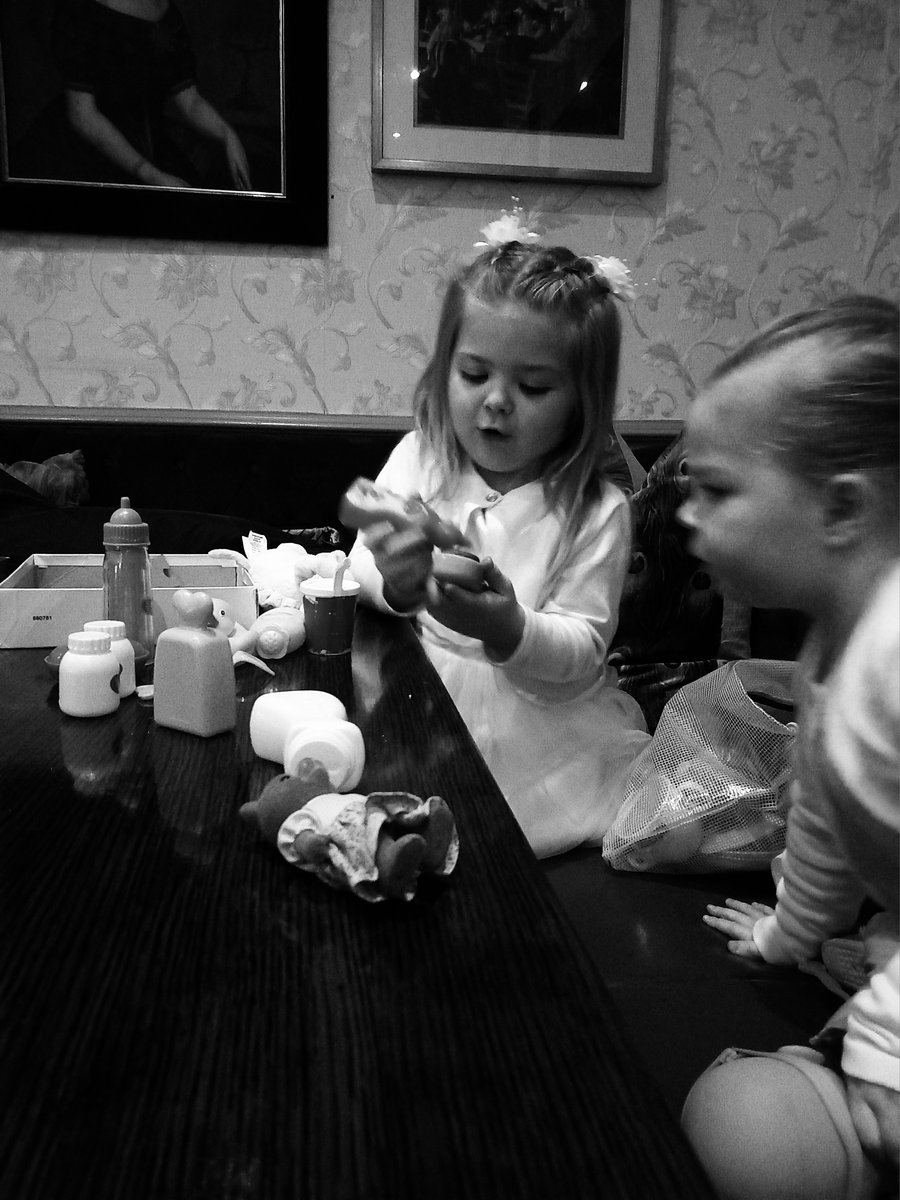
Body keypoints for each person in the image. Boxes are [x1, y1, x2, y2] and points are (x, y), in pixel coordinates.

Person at [677, 295, 899, 1200]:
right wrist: (787, 934)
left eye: (717, 490)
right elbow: (823, 821)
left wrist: (885, 1037)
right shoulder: (826, 652)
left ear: (841, 509)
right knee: (742, 1121)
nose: (687, 515)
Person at [348, 212, 650, 858]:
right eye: (474, 374)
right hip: (416, 702)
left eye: (533, 385)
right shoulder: (422, 459)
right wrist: (395, 582)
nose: (495, 401)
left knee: (496, 854)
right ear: (444, 369)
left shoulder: (594, 512)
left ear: (580, 399)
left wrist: (509, 626)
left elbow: (580, 652)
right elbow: (361, 563)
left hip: (538, 740)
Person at [48, 0, 251, 191]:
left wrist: (227, 134)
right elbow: (82, 116)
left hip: (150, 147)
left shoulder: (164, 11)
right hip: (92, 152)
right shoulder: (81, 10)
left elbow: (189, 102)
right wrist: (150, 174)